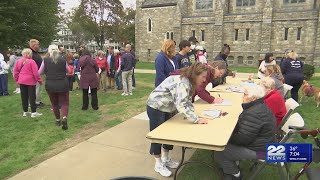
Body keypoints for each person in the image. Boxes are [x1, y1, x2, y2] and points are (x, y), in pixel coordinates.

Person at [147, 62, 209, 177]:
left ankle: (166, 159)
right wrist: (196, 119)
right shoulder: (183, 82)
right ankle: (158, 163)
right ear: (195, 74)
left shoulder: (189, 82)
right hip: (156, 107)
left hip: (167, 108)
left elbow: (187, 101)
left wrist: (195, 116)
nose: (205, 80)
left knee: (168, 134)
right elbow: (181, 105)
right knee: (158, 135)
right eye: (203, 76)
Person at [214, 85, 276, 180]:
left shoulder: (254, 112)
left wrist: (226, 137)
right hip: (263, 144)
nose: (242, 96)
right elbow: (246, 132)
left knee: (220, 150)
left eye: (245, 94)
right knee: (224, 144)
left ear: (253, 98)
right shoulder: (258, 106)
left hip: (261, 151)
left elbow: (243, 139)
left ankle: (235, 174)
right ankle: (233, 163)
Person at [39, 45, 70, 130]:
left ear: (49, 51)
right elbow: (68, 70)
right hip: (62, 83)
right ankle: (64, 117)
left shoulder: (45, 61)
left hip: (50, 84)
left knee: (54, 103)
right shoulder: (63, 60)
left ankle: (57, 120)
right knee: (64, 102)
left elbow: (40, 72)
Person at [13, 48, 42, 117]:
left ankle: (25, 111)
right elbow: (36, 73)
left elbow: (15, 72)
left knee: (24, 96)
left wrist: (17, 79)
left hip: (22, 81)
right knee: (32, 96)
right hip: (30, 81)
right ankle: (33, 112)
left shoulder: (19, 61)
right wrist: (39, 80)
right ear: (30, 54)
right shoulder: (32, 62)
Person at [29, 39, 44, 107]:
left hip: (39, 73)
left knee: (39, 88)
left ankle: (38, 101)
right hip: (34, 74)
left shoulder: (36, 53)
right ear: (33, 45)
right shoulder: (30, 53)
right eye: (38, 44)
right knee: (36, 88)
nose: (39, 46)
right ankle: (35, 103)